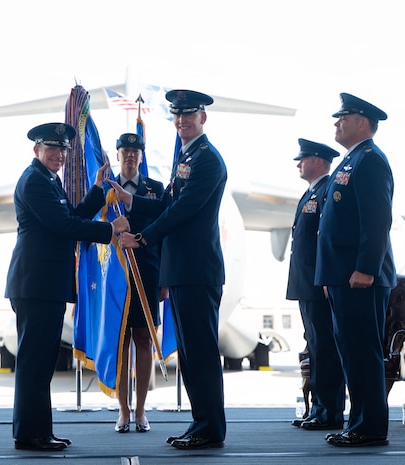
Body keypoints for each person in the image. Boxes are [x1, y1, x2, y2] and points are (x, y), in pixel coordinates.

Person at [110, 89, 227, 450]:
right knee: (190, 355)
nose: (182, 121)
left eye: (189, 115)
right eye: (177, 116)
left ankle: (210, 429)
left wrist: (142, 239)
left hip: (196, 270)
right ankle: (201, 423)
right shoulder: (186, 157)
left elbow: (182, 211)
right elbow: (165, 203)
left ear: (202, 118)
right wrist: (132, 200)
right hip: (182, 271)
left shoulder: (207, 159)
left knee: (202, 353)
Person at [4, 122, 130, 452]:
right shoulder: (34, 182)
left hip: (45, 285)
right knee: (34, 362)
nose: (59, 154)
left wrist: (98, 189)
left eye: (63, 150)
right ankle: (31, 434)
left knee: (41, 362)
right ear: (37, 150)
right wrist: (110, 231)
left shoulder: (48, 180)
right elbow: (64, 225)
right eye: (52, 148)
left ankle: (37, 431)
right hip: (36, 286)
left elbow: (71, 214)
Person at [315, 93, 396, 447]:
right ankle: (359, 422)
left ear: (361, 122)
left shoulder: (370, 161)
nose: (337, 123)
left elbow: (377, 220)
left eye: (342, 117)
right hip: (342, 277)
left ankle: (370, 426)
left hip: (360, 278)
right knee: (351, 351)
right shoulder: (350, 162)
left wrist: (365, 269)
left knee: (363, 351)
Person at [286, 138, 346, 431]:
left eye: (304, 158)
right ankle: (319, 408)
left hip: (317, 282)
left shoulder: (327, 189)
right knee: (315, 346)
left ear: (319, 162)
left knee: (325, 347)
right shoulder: (310, 192)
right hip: (306, 282)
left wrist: (324, 275)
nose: (299, 163)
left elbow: (325, 237)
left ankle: (331, 411)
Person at [111, 133, 165, 434]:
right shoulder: (108, 191)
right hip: (118, 277)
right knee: (121, 342)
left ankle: (141, 410)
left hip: (148, 272)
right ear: (117, 155)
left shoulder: (155, 189)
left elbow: (166, 230)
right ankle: (122, 410)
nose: (130, 156)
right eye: (125, 151)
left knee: (143, 339)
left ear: (141, 157)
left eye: (135, 151)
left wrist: (165, 277)